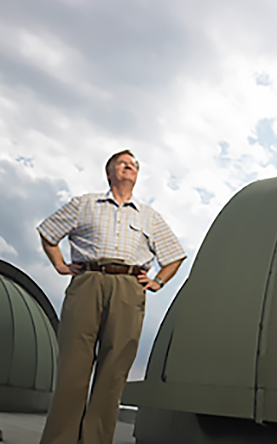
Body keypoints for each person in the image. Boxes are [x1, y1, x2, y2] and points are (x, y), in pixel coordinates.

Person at [37, 150, 186, 444]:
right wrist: (59, 264)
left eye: (133, 165)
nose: (129, 167)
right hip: (88, 281)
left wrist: (158, 281)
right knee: (73, 367)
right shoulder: (84, 204)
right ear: (109, 172)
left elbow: (174, 256)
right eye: (122, 163)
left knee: (114, 369)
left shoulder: (149, 216)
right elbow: (48, 232)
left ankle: (95, 440)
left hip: (129, 289)